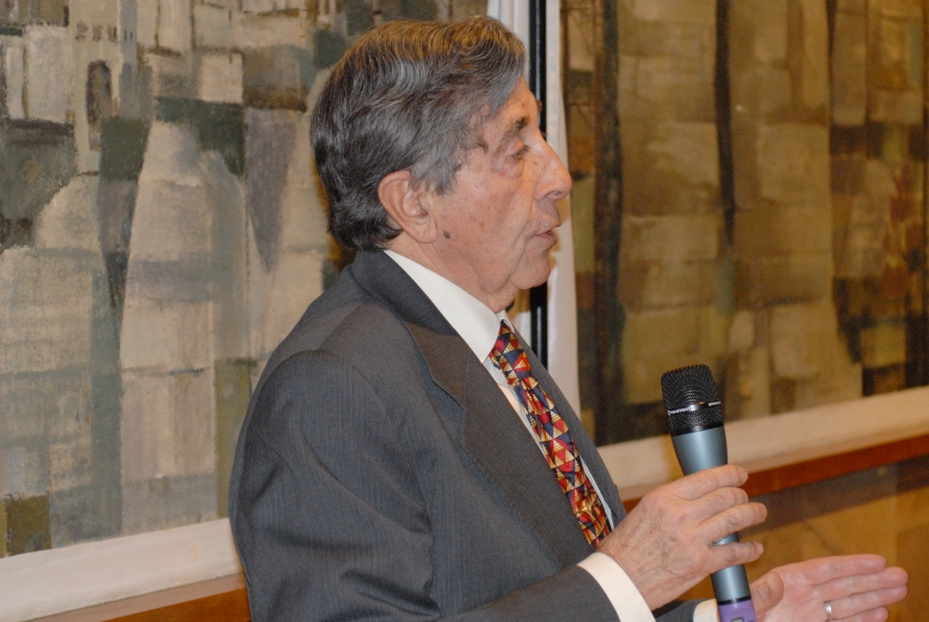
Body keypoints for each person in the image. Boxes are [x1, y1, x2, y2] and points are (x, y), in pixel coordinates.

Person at [229, 16, 908, 622]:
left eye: (540, 136)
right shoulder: (329, 387)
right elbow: (600, 592)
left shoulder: (491, 347)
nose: (557, 177)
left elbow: (560, 592)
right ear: (413, 203)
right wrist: (625, 578)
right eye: (515, 149)